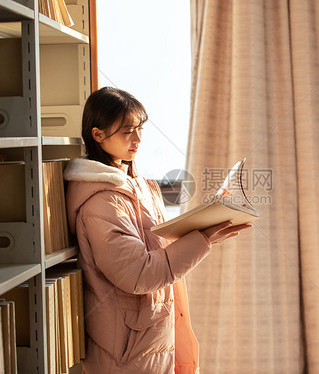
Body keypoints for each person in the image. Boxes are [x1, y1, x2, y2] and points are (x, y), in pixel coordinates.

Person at [64, 87, 251, 373]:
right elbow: (138, 274)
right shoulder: (101, 203)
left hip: (149, 339)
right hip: (127, 352)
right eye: (127, 132)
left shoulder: (136, 185)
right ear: (98, 134)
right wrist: (202, 238)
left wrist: (201, 228)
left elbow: (156, 248)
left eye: (139, 129)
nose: (138, 139)